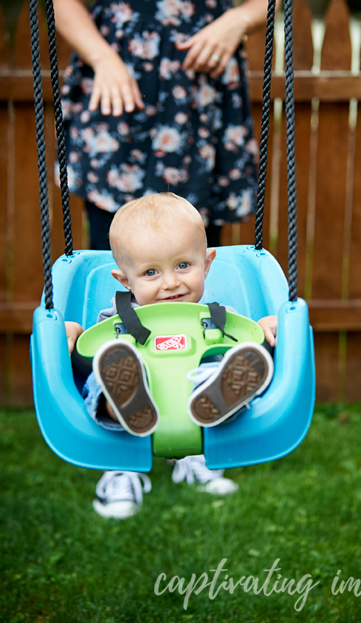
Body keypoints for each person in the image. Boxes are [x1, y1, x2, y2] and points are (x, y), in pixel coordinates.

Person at [53, 0, 277, 249]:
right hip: (121, 85)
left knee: (194, 240)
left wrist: (236, 21)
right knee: (113, 242)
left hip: (200, 91)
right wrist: (103, 61)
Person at [65, 192, 278, 516]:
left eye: (183, 265)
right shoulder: (117, 319)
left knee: (223, 363)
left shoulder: (218, 317)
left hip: (195, 398)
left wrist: (262, 328)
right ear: (125, 280)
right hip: (138, 397)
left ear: (206, 265)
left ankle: (215, 406)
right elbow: (87, 354)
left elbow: (244, 340)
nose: (170, 283)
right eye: (151, 273)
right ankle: (122, 434)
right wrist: (74, 334)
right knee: (106, 373)